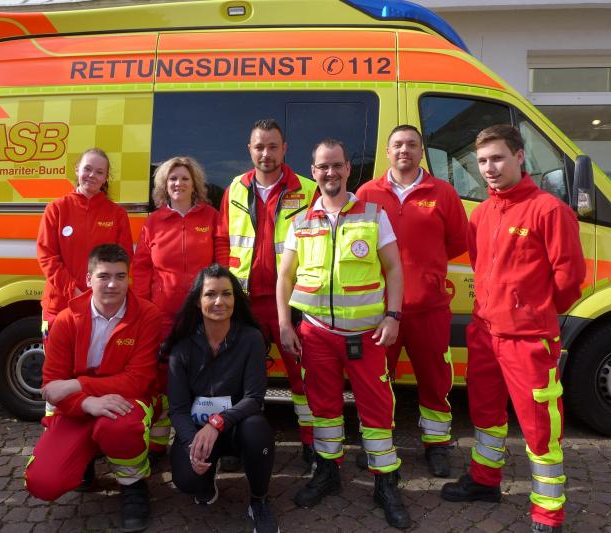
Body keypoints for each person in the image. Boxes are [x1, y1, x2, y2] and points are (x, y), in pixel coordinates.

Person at [441, 125, 585, 533]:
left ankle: (548, 512)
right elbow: (480, 266)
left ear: (520, 157)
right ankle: (485, 480)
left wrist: (532, 313)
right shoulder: (481, 214)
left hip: (528, 339)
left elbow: (569, 279)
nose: (489, 168)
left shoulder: (549, 211)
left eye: (498, 158)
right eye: (482, 161)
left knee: (540, 425)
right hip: (485, 332)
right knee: (485, 412)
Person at [277, 139, 411, 529]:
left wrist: (393, 316)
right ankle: (327, 471)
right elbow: (285, 277)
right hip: (316, 333)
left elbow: (394, 268)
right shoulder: (300, 221)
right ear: (313, 171)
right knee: (323, 408)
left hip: (366, 335)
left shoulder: (373, 214)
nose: (330, 172)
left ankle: (385, 482)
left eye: (337, 165)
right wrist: (285, 323)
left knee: (377, 409)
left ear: (348, 168)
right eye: (323, 166)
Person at [25, 244, 161, 533]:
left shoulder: (148, 315)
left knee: (119, 428)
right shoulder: (65, 320)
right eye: (103, 276)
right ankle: (85, 457)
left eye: (120, 276)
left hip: (125, 402)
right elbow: (52, 388)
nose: (113, 284)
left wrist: (78, 384)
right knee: (42, 483)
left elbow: (138, 380)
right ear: (88, 279)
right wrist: (87, 403)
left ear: (128, 278)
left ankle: (133, 484)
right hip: (79, 408)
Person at [356, 124, 468, 477]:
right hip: (379, 308)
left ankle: (437, 445)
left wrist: (426, 271)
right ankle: (377, 443)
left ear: (421, 152)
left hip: (429, 307)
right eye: (398, 145)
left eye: (411, 145)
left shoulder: (443, 193)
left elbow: (457, 242)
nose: (404, 150)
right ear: (388, 152)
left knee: (435, 379)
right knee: (377, 380)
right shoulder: (367, 193)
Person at [216, 118, 318, 464]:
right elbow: (222, 241)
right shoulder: (235, 188)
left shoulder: (307, 189)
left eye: (273, 146)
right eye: (259, 146)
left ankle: (312, 443)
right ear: (250, 149)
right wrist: (226, 292)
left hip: (292, 303)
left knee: (303, 378)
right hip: (245, 304)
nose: (266, 153)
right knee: (242, 379)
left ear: (284, 149)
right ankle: (240, 442)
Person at [165, 264, 278, 533]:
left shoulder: (251, 338)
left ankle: (259, 501)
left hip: (237, 427)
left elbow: (254, 398)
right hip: (198, 431)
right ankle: (205, 481)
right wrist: (192, 444)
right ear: (197, 301)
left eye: (227, 294)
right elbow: (178, 409)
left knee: (257, 430)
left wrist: (216, 423)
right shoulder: (181, 347)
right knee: (186, 480)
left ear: (235, 299)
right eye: (210, 294)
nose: (219, 302)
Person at [133, 156, 219, 457]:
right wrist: (143, 309)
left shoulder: (211, 217)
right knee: (161, 380)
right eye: (172, 179)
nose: (178, 183)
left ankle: (200, 443)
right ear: (164, 185)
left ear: (194, 183)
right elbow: (141, 268)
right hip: (162, 317)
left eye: (184, 178)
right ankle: (158, 444)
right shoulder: (153, 222)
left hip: (202, 316)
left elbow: (221, 262)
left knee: (202, 377)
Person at [37, 148, 133, 334]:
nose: (92, 175)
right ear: (77, 169)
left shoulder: (117, 214)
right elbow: (47, 257)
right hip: (59, 306)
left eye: (99, 172)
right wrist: (74, 291)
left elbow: (125, 258)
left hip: (102, 308)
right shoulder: (56, 208)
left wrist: (98, 294)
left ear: (106, 178)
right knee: (58, 354)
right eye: (87, 169)